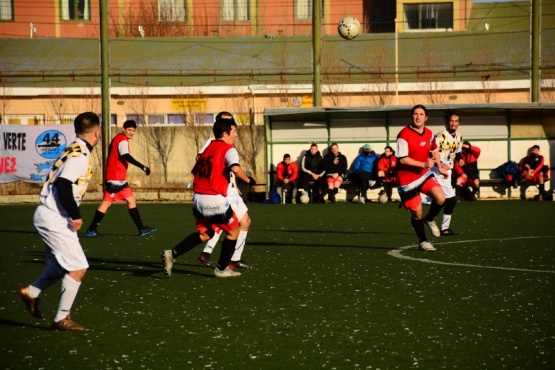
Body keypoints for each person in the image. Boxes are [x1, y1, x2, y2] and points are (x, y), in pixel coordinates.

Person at [18, 112, 101, 331]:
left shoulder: (71, 146)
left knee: (62, 266)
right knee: (78, 267)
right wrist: (75, 214)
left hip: (49, 213)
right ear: (97, 132)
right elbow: (63, 184)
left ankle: (32, 292)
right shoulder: (80, 155)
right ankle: (61, 318)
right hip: (56, 217)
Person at [161, 113, 254, 278]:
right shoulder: (228, 148)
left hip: (198, 199)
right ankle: (221, 268)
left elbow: (197, 170)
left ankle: (173, 253)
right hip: (214, 199)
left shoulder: (207, 148)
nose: (236, 134)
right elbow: (235, 167)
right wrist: (248, 180)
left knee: (206, 233)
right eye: (234, 131)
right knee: (234, 231)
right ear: (225, 134)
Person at [196, 115, 255, 270]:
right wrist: (247, 181)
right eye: (227, 121)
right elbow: (200, 159)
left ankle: (232, 259)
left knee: (244, 222)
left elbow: (230, 168)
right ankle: (216, 258)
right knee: (226, 225)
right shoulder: (212, 143)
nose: (234, 130)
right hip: (220, 190)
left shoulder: (229, 144)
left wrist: (234, 184)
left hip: (230, 189)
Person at [85, 119, 157, 237]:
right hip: (115, 179)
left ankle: (141, 229)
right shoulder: (122, 140)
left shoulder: (118, 138)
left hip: (119, 179)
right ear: (123, 129)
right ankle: (91, 229)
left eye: (133, 131)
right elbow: (125, 155)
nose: (131, 132)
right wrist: (142, 167)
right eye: (129, 130)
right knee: (106, 203)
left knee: (130, 200)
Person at [396, 104, 447, 252]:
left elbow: (434, 150)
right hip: (407, 181)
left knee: (440, 198)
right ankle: (423, 241)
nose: (418, 117)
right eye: (415, 114)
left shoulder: (430, 133)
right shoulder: (403, 135)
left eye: (421, 114)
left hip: (423, 174)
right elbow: (402, 159)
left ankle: (430, 218)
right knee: (417, 212)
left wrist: (439, 167)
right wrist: (423, 163)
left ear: (426, 117)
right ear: (412, 116)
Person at [430, 112, 464, 236]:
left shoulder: (459, 137)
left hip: (448, 170)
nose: (453, 123)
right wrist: (439, 164)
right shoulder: (438, 137)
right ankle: (443, 227)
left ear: (459, 123)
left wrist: (460, 159)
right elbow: (431, 153)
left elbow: (458, 151)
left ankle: (414, 197)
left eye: (456, 121)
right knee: (451, 199)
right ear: (447, 122)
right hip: (438, 170)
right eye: (451, 121)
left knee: (439, 198)